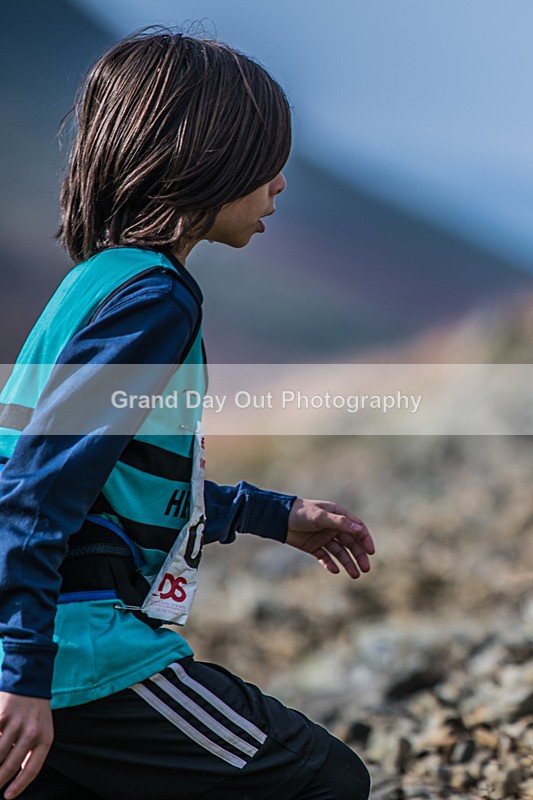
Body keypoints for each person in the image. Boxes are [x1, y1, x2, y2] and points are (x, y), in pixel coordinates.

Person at [0, 29, 374, 800]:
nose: (278, 184)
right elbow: (34, 491)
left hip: (40, 639)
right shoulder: (154, 301)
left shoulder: (101, 282)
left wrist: (271, 515)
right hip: (75, 652)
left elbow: (120, 481)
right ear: (204, 158)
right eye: (263, 158)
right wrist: (21, 673)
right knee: (319, 780)